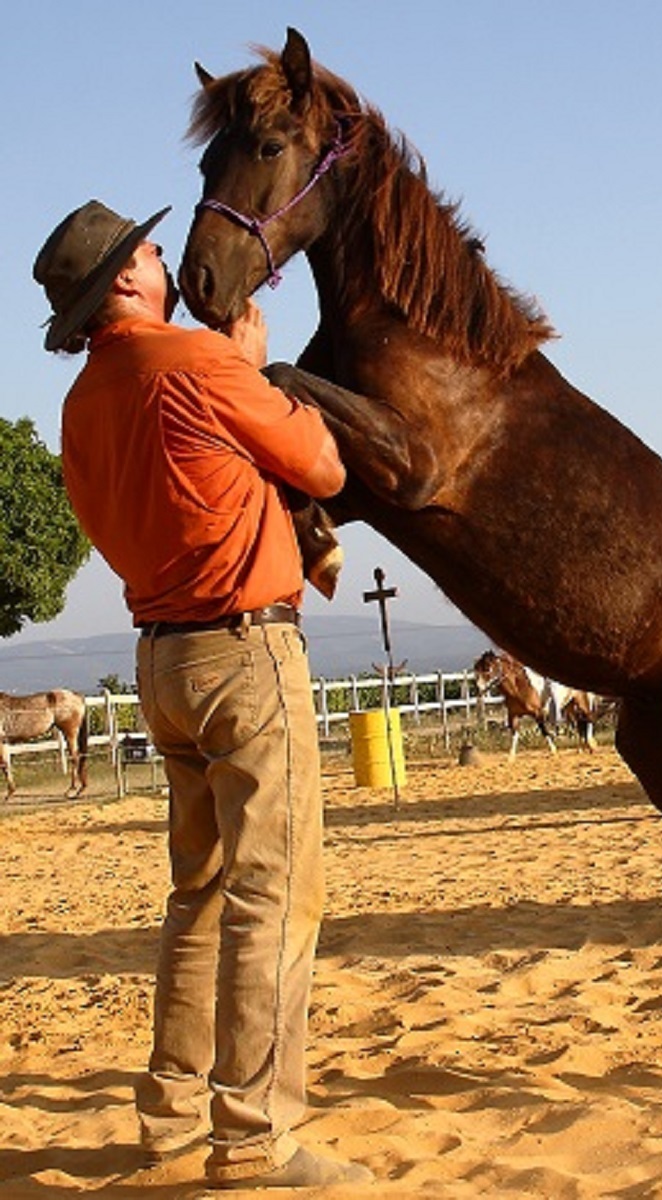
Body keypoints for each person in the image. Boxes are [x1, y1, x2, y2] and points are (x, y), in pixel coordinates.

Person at [33, 200, 372, 1191]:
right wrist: (254, 369)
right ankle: (254, 1139)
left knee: (200, 895)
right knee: (278, 894)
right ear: (128, 284)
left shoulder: (85, 398)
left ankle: (171, 1121)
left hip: (160, 660)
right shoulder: (193, 359)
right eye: (146, 249)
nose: (161, 255)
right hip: (244, 653)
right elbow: (319, 461)